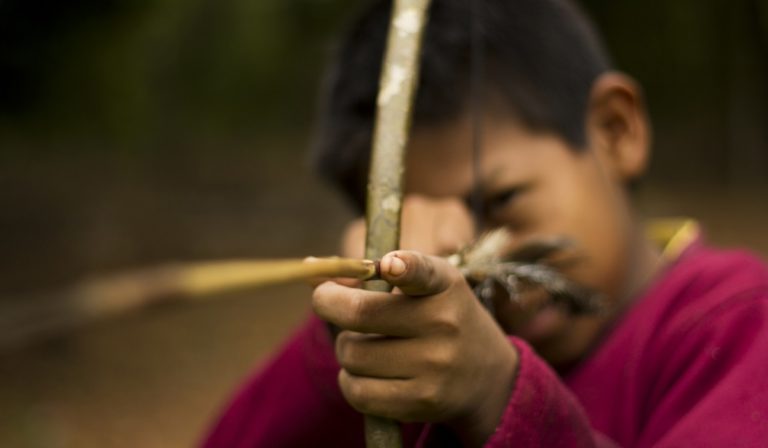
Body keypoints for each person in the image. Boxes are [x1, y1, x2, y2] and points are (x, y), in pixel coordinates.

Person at [202, 0, 768, 446]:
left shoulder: (742, 324)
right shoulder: (422, 368)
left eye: (501, 200)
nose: (470, 264)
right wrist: (353, 335)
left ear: (616, 131)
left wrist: (499, 400)